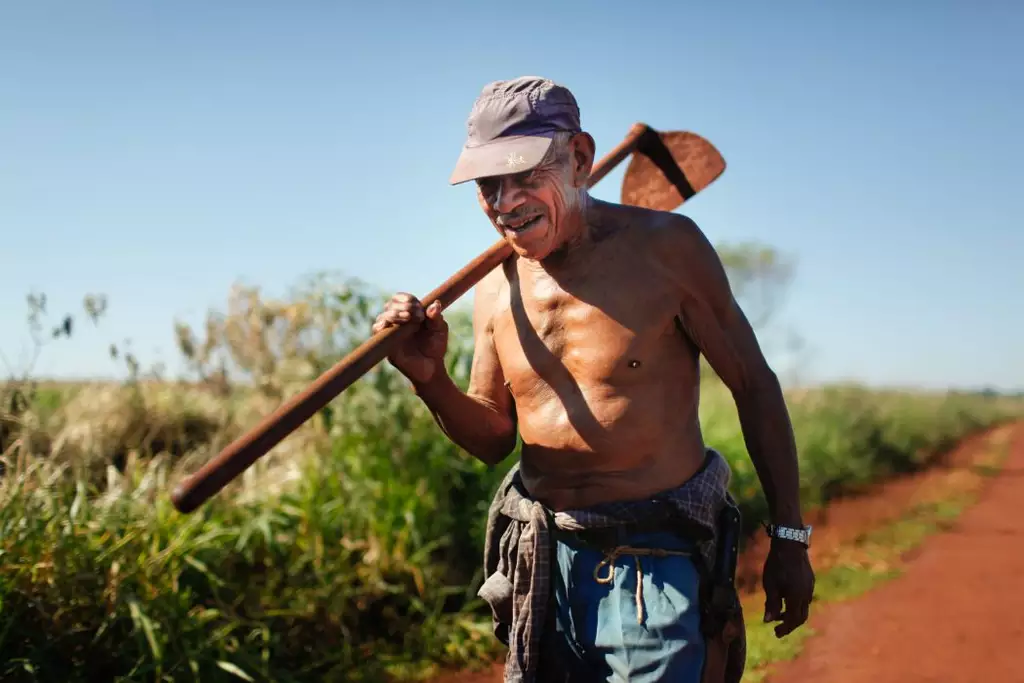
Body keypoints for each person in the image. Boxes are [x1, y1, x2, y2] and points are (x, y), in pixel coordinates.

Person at [372, 76, 815, 683]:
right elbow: (493, 436)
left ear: (580, 158)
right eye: (487, 185)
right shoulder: (494, 288)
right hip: (542, 567)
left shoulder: (666, 250)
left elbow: (754, 385)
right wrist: (429, 381)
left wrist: (789, 536)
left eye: (526, 176)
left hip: (654, 562)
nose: (505, 202)